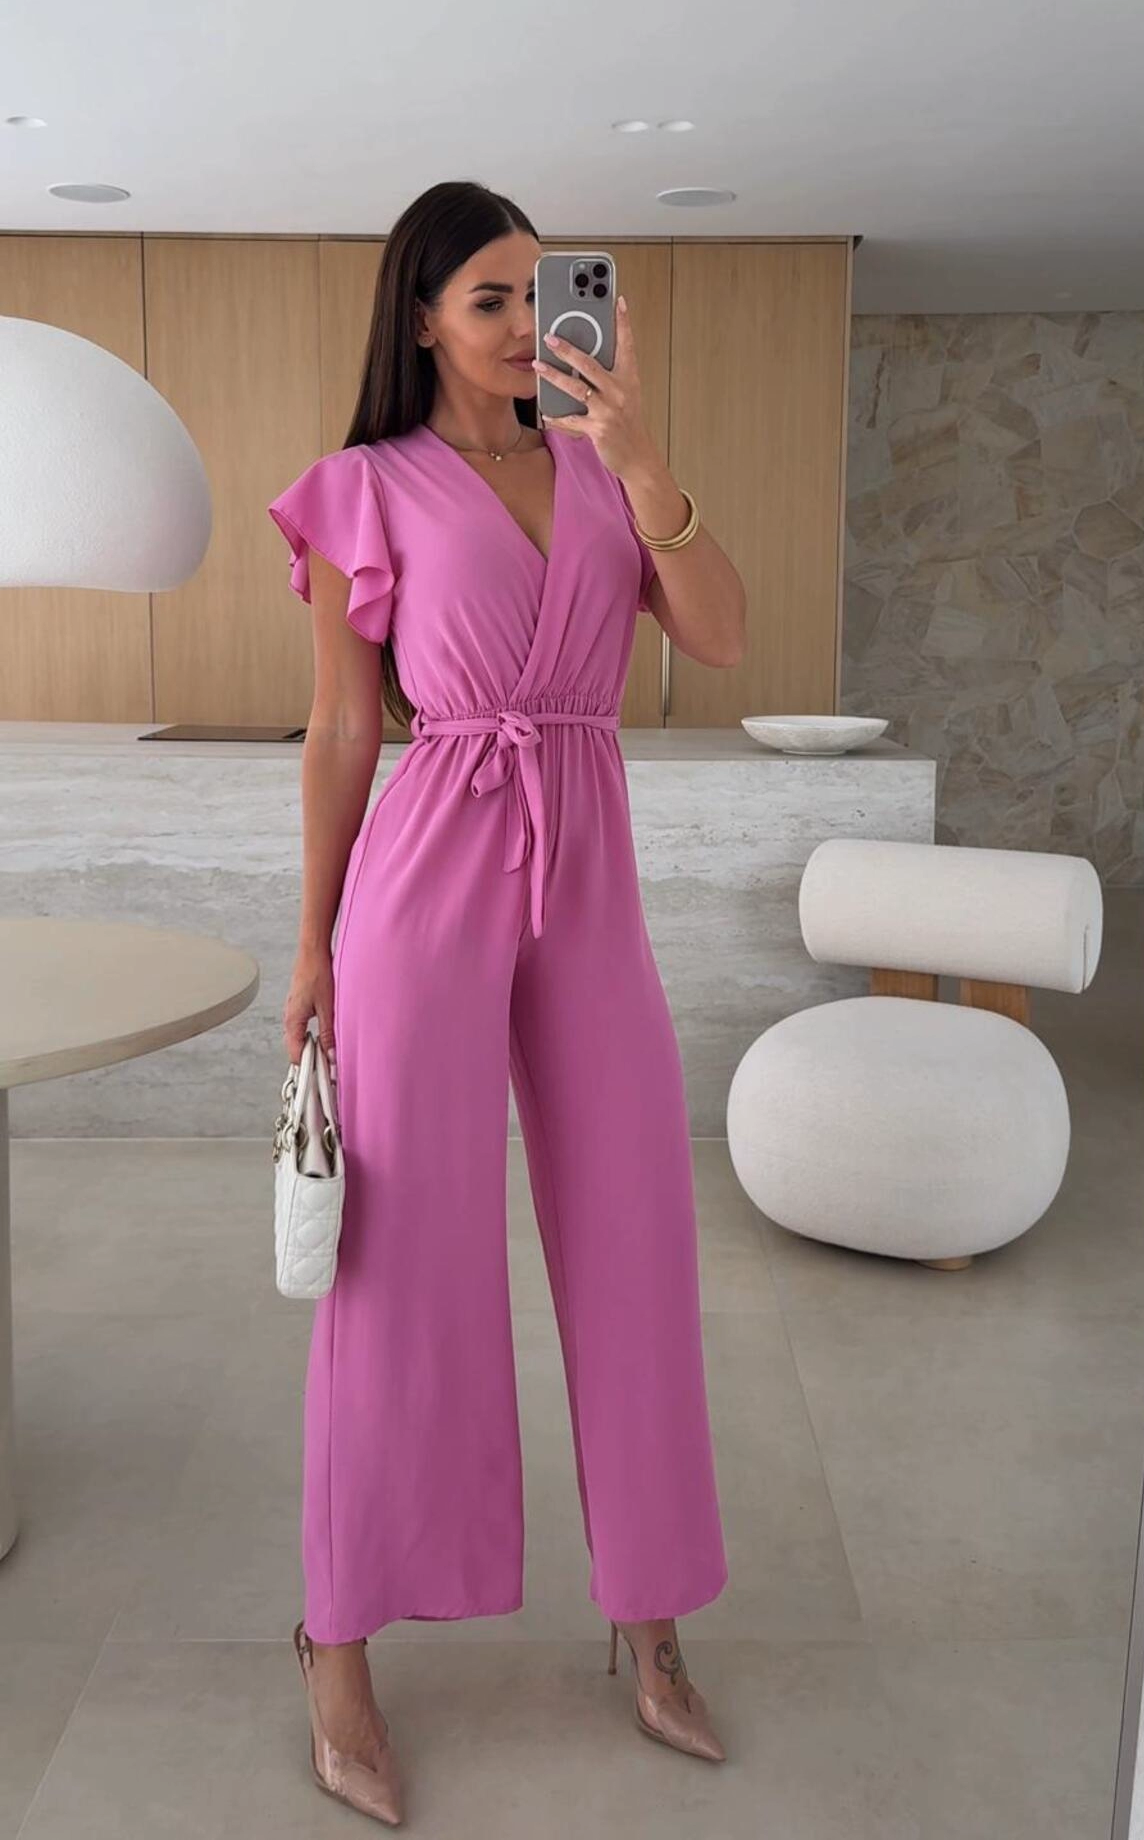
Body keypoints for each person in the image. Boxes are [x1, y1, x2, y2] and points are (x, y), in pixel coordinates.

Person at [267, 180, 747, 1825]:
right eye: (489, 296)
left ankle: (649, 1615)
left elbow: (721, 635)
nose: (526, 322)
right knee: (401, 1259)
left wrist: (644, 455)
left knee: (635, 1236)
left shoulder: (608, 472)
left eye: (544, 293)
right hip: (426, 876)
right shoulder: (362, 487)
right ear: (419, 321)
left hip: (587, 873)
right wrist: (315, 945)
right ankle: (338, 1633)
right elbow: (344, 725)